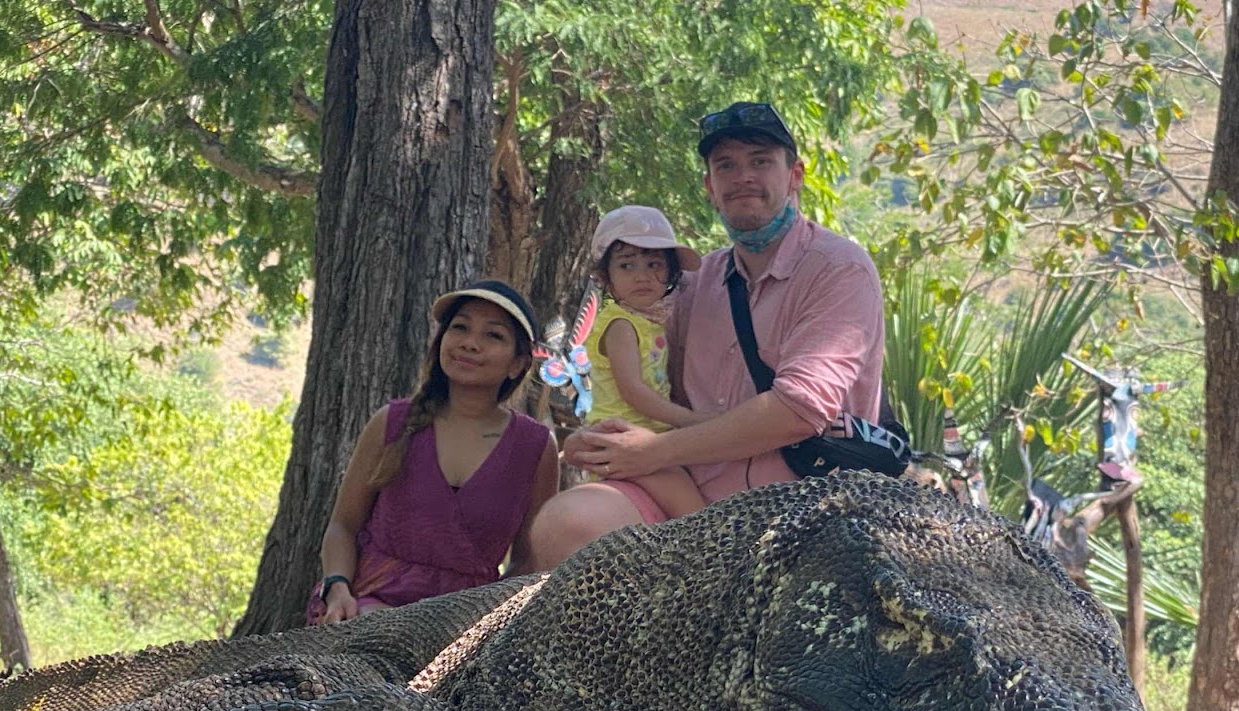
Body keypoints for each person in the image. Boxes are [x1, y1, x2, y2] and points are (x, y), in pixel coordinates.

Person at [527, 101, 884, 569]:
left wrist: (652, 452)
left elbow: (801, 409)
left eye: (760, 161)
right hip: (689, 496)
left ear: (794, 175)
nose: (743, 177)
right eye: (726, 166)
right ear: (710, 188)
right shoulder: (692, 284)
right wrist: (597, 440)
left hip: (804, 508)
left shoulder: (839, 270)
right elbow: (645, 382)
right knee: (566, 523)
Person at [310, 280, 558, 624]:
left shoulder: (536, 447)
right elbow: (342, 526)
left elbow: (527, 562)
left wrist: (488, 629)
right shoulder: (391, 423)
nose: (470, 343)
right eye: (460, 327)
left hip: (464, 626)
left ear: (517, 364)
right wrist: (337, 587)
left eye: (493, 335)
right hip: (365, 609)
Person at [578, 204, 707, 520]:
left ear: (671, 274)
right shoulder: (620, 324)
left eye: (654, 264)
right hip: (622, 437)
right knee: (696, 513)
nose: (642, 276)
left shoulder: (649, 321)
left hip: (646, 436)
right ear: (604, 277)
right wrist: (694, 421)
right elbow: (633, 390)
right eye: (626, 265)